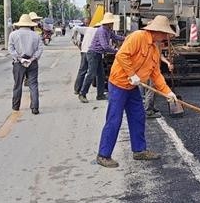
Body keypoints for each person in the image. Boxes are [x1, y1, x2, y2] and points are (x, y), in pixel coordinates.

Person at [96, 15, 178, 167]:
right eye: (165, 33)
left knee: (138, 116)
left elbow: (156, 74)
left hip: (133, 86)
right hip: (119, 84)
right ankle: (103, 155)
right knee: (114, 119)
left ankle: (139, 150)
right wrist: (131, 74)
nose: (166, 36)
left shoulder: (154, 49)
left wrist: (168, 92)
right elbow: (122, 55)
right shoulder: (138, 37)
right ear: (157, 31)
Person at [78, 12, 124, 103]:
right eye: (112, 22)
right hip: (93, 54)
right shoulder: (102, 31)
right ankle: (82, 93)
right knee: (91, 74)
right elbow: (105, 46)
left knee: (101, 75)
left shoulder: (108, 30)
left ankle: (100, 95)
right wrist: (116, 51)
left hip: (98, 54)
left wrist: (126, 38)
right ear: (108, 23)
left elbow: (115, 37)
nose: (113, 24)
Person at [8, 14, 43, 114]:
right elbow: (40, 49)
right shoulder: (36, 35)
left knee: (17, 85)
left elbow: (11, 49)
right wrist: (32, 59)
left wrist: (19, 58)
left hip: (19, 63)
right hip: (32, 62)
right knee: (33, 85)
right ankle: (35, 107)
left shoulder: (13, 34)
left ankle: (16, 106)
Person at [72, 20, 96, 95]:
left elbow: (75, 28)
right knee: (91, 72)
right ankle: (83, 91)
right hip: (90, 52)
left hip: (84, 51)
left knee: (82, 70)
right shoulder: (99, 31)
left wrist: (74, 39)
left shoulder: (87, 29)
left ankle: (77, 89)